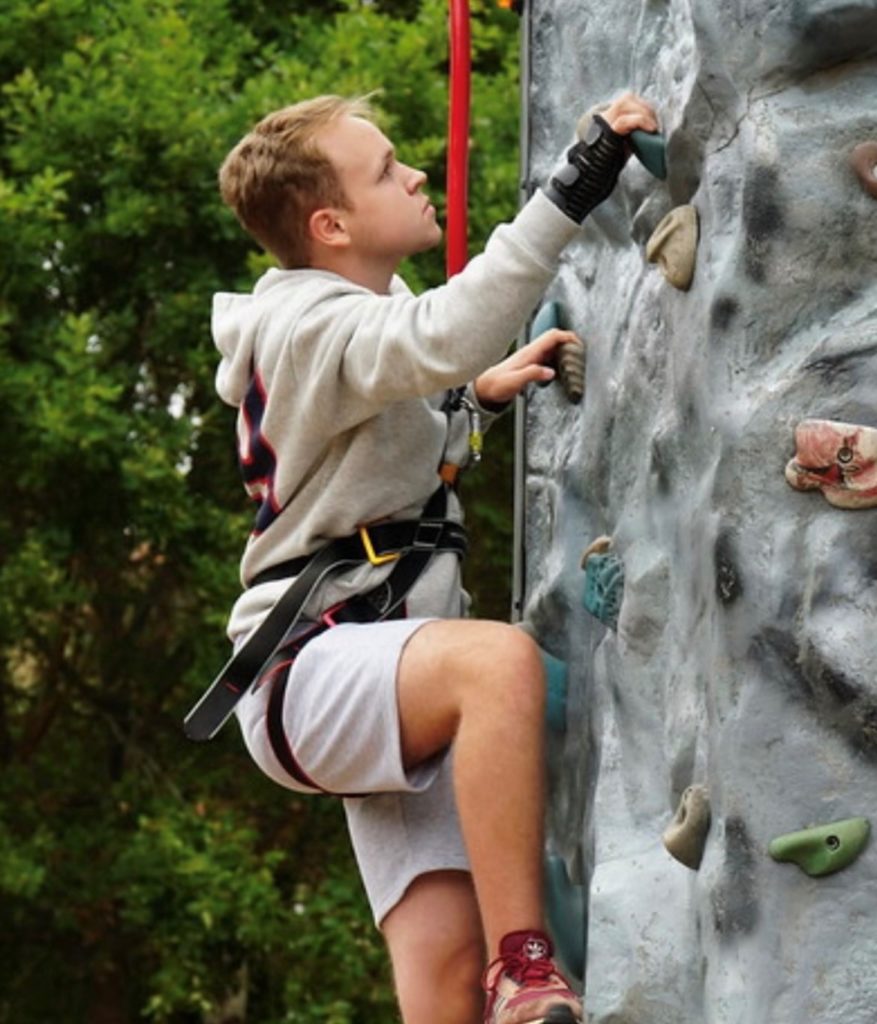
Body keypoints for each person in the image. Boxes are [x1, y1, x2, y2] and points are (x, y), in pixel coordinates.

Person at [210, 90, 657, 1024]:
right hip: (317, 663)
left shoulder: (355, 317)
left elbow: (389, 448)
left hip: (386, 683)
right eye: (385, 170)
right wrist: (574, 185)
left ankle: (488, 977)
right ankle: (526, 964)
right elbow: (444, 334)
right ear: (330, 225)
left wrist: (472, 405)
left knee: (439, 985)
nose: (413, 173)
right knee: (498, 662)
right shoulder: (308, 325)